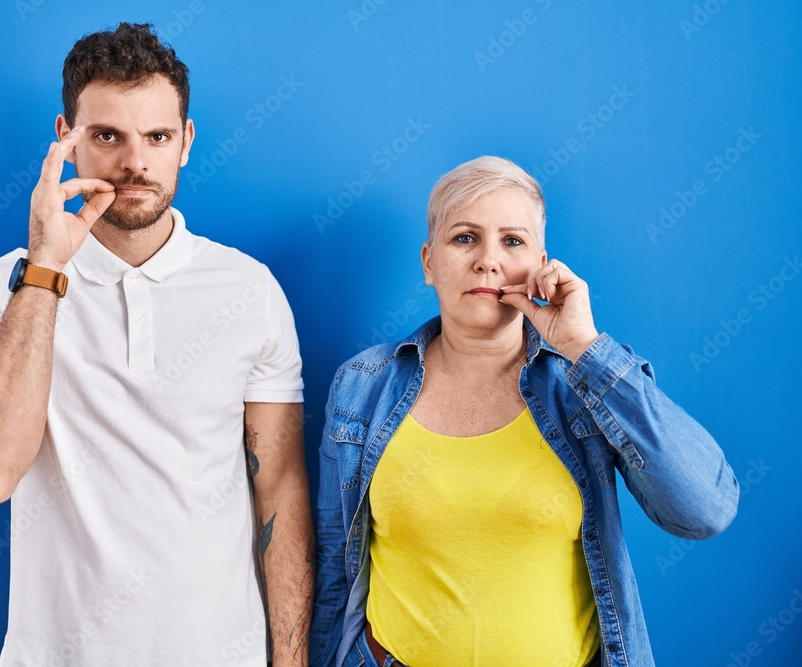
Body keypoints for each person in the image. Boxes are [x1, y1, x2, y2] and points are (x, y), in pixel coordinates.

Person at [0, 22, 313, 666]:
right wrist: (47, 271)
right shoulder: (3, 287)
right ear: (66, 138)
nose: (135, 163)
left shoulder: (250, 290)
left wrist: (291, 658)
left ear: (186, 142)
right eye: (107, 136)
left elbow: (278, 487)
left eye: (158, 137)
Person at [309, 156, 738, 667]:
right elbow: (336, 563)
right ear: (429, 262)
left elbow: (704, 511)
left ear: (541, 263)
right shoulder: (363, 384)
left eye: (512, 241)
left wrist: (586, 347)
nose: (488, 260)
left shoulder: (585, 383)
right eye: (465, 237)